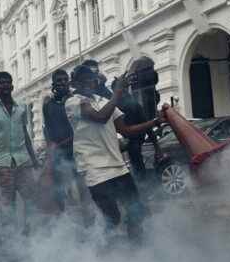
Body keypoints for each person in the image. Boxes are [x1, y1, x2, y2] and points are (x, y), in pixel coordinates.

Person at [65, 65, 167, 242]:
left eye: (90, 79)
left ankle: (137, 250)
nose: (88, 82)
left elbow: (126, 130)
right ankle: (105, 253)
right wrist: (117, 93)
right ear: (75, 83)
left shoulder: (104, 101)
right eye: (83, 80)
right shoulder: (73, 102)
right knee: (113, 217)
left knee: (137, 211)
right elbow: (99, 117)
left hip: (118, 167)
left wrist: (155, 121)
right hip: (94, 169)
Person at [0, 71, 41, 238]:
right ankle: (11, 238)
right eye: (1, 82)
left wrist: (34, 159)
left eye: (8, 82)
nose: (5, 85)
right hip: (2, 164)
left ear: (12, 86)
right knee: (7, 204)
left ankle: (29, 231)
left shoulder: (21, 107)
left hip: (23, 162)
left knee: (31, 199)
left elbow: (25, 133)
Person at [111, 78, 161, 180]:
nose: (124, 90)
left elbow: (147, 126)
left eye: (125, 87)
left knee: (137, 164)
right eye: (121, 88)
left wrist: (157, 147)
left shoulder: (134, 105)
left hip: (134, 141)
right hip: (115, 144)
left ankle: (142, 185)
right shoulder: (110, 106)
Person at [42, 69, 77, 212]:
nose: (62, 83)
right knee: (58, 189)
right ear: (54, 85)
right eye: (59, 81)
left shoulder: (76, 100)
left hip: (77, 151)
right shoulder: (48, 104)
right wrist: (51, 148)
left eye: (65, 80)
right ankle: (63, 218)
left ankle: (89, 220)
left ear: (69, 82)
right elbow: (47, 128)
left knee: (80, 187)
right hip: (58, 153)